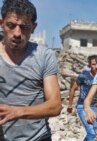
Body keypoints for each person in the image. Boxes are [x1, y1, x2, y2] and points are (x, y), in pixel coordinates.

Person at [0, 0, 62, 141]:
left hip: (38, 138)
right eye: (11, 25)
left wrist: (17, 112)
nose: (17, 33)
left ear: (33, 27)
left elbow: (55, 106)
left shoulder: (44, 56)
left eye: (24, 27)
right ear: (1, 23)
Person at [67, 55, 97, 141]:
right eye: (93, 64)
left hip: (94, 107)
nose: (96, 66)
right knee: (91, 133)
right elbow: (73, 89)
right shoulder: (84, 75)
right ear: (90, 65)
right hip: (82, 107)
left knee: (94, 130)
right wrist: (70, 105)